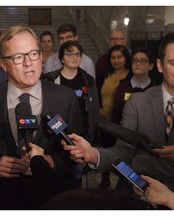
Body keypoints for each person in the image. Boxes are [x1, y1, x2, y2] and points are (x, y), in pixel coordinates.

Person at [0, 25, 85, 210]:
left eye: (33, 54)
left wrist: (53, 162)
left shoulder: (65, 97)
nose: (28, 63)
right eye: (18, 57)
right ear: (4, 64)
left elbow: (77, 147)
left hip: (54, 198)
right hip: (4, 198)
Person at [59, 33, 174, 196]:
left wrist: (141, 162)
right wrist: (93, 154)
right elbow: (123, 152)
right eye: (173, 63)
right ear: (160, 65)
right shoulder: (137, 102)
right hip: (138, 197)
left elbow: (138, 161)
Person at [41, 40, 100, 185]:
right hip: (56, 131)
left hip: (80, 132)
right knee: (55, 175)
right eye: (70, 54)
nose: (75, 57)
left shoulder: (87, 80)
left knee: (76, 174)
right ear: (62, 58)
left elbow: (93, 110)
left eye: (78, 54)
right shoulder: (50, 79)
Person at [96, 44, 133, 188]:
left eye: (119, 57)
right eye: (113, 57)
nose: (116, 60)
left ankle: (123, 182)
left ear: (125, 58)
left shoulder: (131, 76)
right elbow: (97, 96)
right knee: (106, 150)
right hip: (105, 122)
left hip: (123, 124)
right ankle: (105, 179)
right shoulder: (103, 76)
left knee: (121, 154)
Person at [112, 47, 157, 124]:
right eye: (135, 60)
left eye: (142, 61)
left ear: (151, 66)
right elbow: (116, 117)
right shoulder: (122, 88)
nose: (138, 63)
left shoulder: (156, 89)